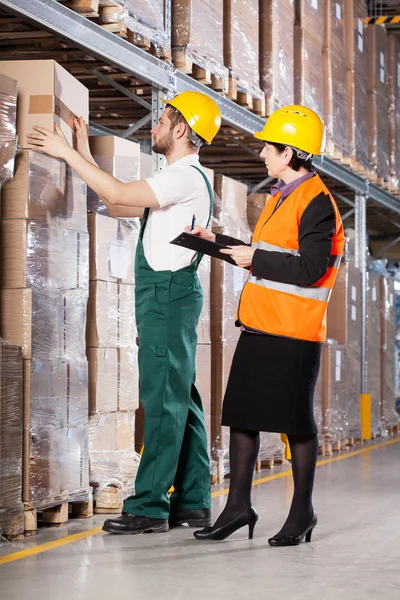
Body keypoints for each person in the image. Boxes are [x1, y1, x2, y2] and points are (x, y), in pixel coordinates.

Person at [27, 90, 222, 535]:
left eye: (161, 120)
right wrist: (78, 151)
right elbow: (117, 204)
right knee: (181, 398)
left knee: (162, 401)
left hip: (167, 297)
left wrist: (61, 150)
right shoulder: (180, 178)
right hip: (168, 295)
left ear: (181, 129)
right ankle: (192, 501)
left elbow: (116, 191)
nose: (154, 127)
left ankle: (149, 506)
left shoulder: (183, 178)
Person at [189, 105, 344, 545]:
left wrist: (254, 256)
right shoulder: (281, 194)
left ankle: (302, 514)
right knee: (242, 416)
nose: (261, 153)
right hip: (260, 326)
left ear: (291, 152)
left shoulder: (317, 203)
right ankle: (238, 507)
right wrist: (216, 244)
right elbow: (274, 256)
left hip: (293, 333)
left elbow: (311, 267)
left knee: (296, 424)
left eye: (268, 147)